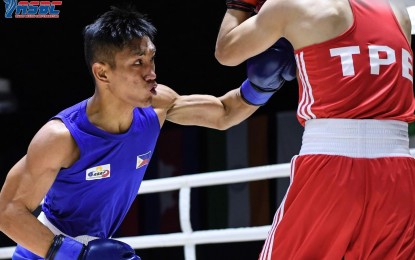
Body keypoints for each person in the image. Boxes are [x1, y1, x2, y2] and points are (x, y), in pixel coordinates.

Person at [0, 4, 296, 260]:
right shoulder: (62, 136)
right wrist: (75, 254)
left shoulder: (157, 107)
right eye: (137, 62)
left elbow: (223, 113)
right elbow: (8, 212)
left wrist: (260, 86)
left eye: (151, 58)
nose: (150, 72)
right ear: (103, 73)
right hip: (49, 251)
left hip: (96, 249)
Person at [215, 0, 415, 259]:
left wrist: (239, 5)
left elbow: (226, 52)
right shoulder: (398, 12)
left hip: (331, 169)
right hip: (398, 173)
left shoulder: (291, 6)